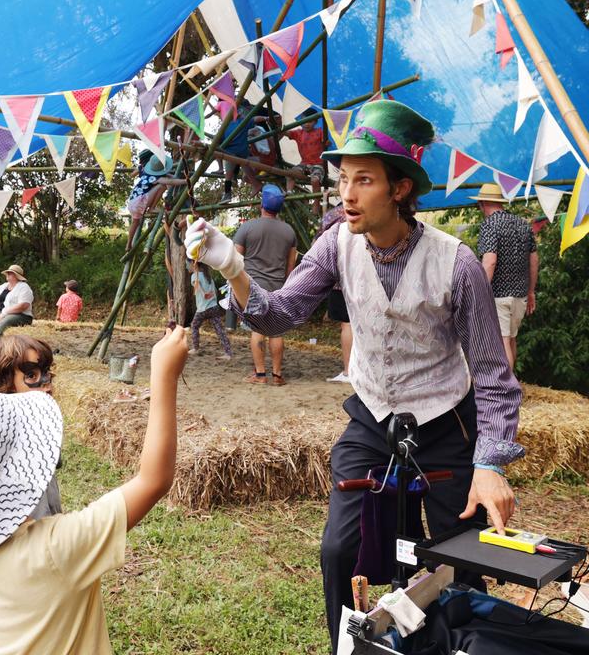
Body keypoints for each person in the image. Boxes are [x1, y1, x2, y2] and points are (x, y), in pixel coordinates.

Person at [184, 100, 523, 651]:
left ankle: (454, 643)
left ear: (400, 189)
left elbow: (492, 375)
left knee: (459, 557)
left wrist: (489, 465)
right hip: (373, 418)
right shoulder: (335, 245)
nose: (347, 193)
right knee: (340, 552)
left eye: (363, 180)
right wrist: (234, 269)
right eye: (343, 179)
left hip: (444, 424)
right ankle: (351, 648)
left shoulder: (456, 262)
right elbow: (281, 313)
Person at [0, 326, 188, 654]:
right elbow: (154, 480)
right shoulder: (57, 549)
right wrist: (164, 376)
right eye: (33, 374)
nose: (47, 382)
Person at [0, 333, 64, 518]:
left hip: (47, 514)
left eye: (46, 373)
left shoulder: (41, 419)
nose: (46, 384)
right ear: (3, 382)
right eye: (32, 375)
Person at [233, 184, 298, 385]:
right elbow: (291, 265)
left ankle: (260, 375)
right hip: (278, 286)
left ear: (262, 204)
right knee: (276, 330)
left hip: (252, 287)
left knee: (258, 329)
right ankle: (277, 375)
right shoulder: (289, 231)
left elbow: (235, 261)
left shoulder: (247, 228)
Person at [472, 183, 538, 371]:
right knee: (511, 339)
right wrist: (531, 291)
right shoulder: (522, 224)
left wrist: (480, 290)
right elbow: (533, 260)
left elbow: (490, 261)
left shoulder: (490, 225)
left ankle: (507, 392)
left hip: (499, 296)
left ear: (483, 203)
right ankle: (512, 385)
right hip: (521, 295)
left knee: (502, 343)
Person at [319, 203, 353, 383]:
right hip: (371, 275)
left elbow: (321, 240)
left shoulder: (334, 215)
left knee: (347, 324)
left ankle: (348, 371)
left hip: (341, 278)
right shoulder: (373, 208)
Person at [126, 151, 186, 251]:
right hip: (140, 202)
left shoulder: (143, 170)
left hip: (132, 202)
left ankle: (128, 244)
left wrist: (135, 171)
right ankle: (152, 208)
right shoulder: (157, 177)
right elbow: (170, 181)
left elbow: (172, 177)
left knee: (135, 222)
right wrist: (185, 181)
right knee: (162, 186)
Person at [188, 263, 233, 359]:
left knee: (194, 326)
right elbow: (215, 291)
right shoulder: (208, 276)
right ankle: (228, 353)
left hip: (203, 308)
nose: (187, 266)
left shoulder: (194, 276)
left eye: (188, 264)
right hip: (213, 307)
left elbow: (197, 285)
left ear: (194, 264)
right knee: (219, 330)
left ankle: (195, 348)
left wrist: (203, 293)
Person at [286, 112, 327, 214]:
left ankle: (316, 202)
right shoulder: (299, 133)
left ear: (315, 122)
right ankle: (289, 192)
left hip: (318, 163)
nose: (306, 124)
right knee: (290, 173)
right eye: (304, 121)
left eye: (310, 121)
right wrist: (278, 126)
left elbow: (327, 141)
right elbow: (285, 132)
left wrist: (327, 142)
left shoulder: (320, 131)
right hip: (304, 163)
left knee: (314, 180)